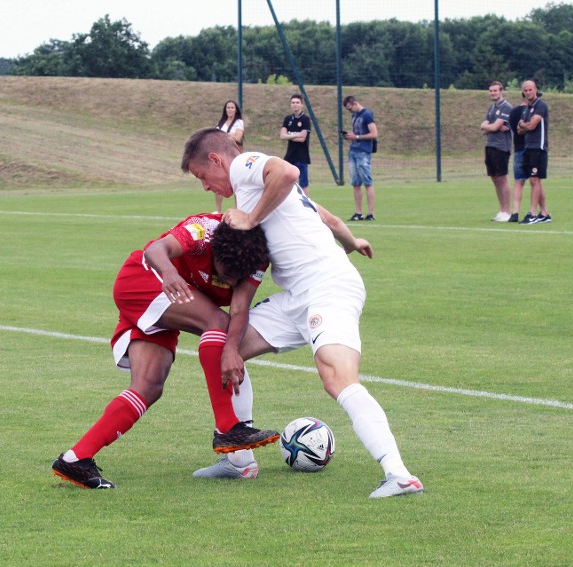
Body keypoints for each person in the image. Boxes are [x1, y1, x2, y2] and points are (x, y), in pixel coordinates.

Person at [182, 128, 423, 498]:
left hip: (326, 286)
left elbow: (289, 172)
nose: (206, 187)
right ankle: (240, 459)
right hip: (294, 297)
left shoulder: (246, 166)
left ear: (216, 160)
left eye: (202, 177)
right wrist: (353, 242)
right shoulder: (259, 188)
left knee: (336, 377)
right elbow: (322, 216)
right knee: (224, 348)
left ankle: (399, 474)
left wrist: (248, 219)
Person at [51, 214, 278, 489]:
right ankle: (228, 427)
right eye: (224, 273)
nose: (228, 283)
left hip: (171, 302)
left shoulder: (256, 256)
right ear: (215, 251)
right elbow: (155, 250)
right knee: (216, 322)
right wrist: (170, 272)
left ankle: (76, 459)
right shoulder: (203, 231)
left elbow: (240, 309)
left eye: (235, 279)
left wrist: (232, 350)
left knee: (149, 386)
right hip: (144, 281)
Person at [518, 81, 552, 224]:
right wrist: (525, 125)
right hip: (528, 147)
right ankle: (544, 213)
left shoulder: (540, 105)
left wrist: (525, 125)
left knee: (534, 179)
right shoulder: (526, 108)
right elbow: (519, 129)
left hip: (538, 147)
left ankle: (532, 214)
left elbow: (531, 125)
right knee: (535, 180)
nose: (528, 92)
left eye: (530, 89)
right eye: (525, 90)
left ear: (536, 90)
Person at [480, 81, 513, 222]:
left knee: (502, 179)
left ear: (501, 91)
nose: (493, 93)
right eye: (491, 91)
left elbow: (493, 128)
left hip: (501, 147)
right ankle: (501, 210)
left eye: (495, 90)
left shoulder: (506, 107)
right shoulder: (491, 108)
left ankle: (507, 211)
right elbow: (483, 129)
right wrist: (490, 126)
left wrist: (491, 126)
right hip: (490, 145)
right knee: (495, 179)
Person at [342, 95, 378, 221]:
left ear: (355, 103)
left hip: (363, 152)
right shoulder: (354, 116)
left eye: (350, 108)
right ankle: (358, 213)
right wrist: (350, 136)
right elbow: (356, 133)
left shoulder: (366, 114)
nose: (349, 111)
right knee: (355, 184)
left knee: (367, 182)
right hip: (353, 151)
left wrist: (356, 137)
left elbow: (374, 134)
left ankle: (370, 213)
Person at [213, 100, 245, 213]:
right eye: (228, 107)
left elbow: (238, 138)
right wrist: (229, 135)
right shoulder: (221, 123)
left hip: (233, 156)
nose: (230, 110)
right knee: (218, 181)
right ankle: (218, 210)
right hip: (221, 155)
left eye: (232, 107)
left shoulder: (239, 122)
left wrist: (224, 135)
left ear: (236, 109)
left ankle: (238, 209)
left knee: (235, 183)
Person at [280, 93, 311, 196]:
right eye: (293, 103)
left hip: (302, 156)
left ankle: (307, 208)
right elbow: (282, 136)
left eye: (297, 102)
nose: (295, 105)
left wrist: (289, 134)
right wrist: (297, 134)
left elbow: (302, 139)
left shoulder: (305, 119)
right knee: (285, 182)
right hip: (289, 156)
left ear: (302, 104)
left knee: (303, 184)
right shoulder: (288, 119)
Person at [507, 93, 529, 222]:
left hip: (518, 149)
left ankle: (515, 212)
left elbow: (513, 129)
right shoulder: (533, 111)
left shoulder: (514, 112)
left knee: (518, 182)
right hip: (531, 149)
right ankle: (538, 211)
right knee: (535, 181)